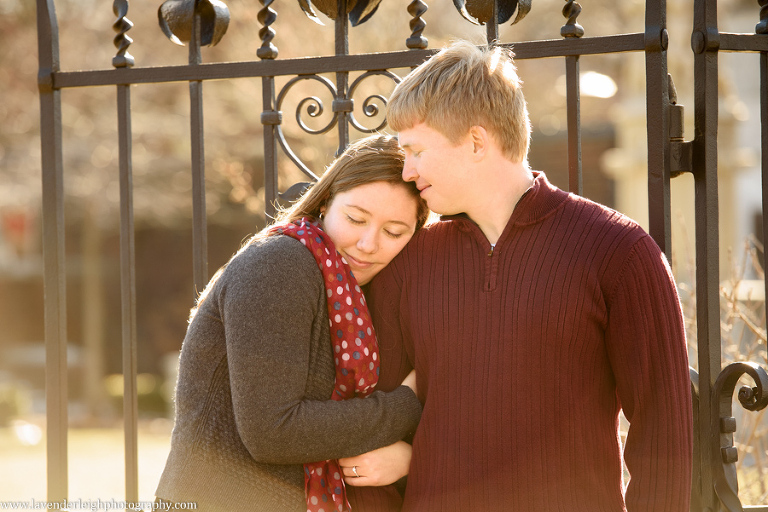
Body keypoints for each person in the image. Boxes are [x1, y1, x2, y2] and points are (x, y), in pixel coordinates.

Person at [354, 41, 693, 511]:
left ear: (476, 142)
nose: (407, 171)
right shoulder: (409, 263)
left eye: (415, 151)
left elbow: (665, 433)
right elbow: (370, 424)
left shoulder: (618, 251)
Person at [155, 134, 431, 512]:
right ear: (325, 203)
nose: (369, 243)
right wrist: (407, 404)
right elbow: (274, 432)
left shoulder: (348, 287)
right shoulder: (280, 265)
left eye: (394, 232)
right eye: (355, 218)